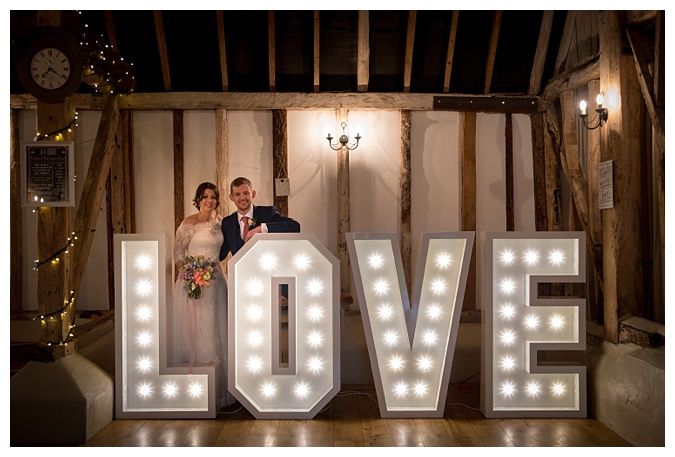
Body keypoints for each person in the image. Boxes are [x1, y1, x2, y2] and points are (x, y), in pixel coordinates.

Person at [172, 181, 235, 408]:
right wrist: (190, 274)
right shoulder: (188, 223)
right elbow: (178, 254)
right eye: (205, 196)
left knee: (218, 325)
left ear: (218, 200)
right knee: (198, 327)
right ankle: (196, 390)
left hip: (217, 280)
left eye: (213, 196)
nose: (209, 200)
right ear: (198, 199)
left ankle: (223, 389)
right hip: (194, 283)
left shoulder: (221, 224)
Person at [219, 176, 300, 261]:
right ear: (231, 197)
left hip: (267, 271)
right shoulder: (227, 222)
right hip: (240, 272)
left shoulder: (268, 213)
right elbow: (222, 254)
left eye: (246, 193)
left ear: (253, 194)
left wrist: (261, 228)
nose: (242, 198)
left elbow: (295, 226)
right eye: (237, 194)